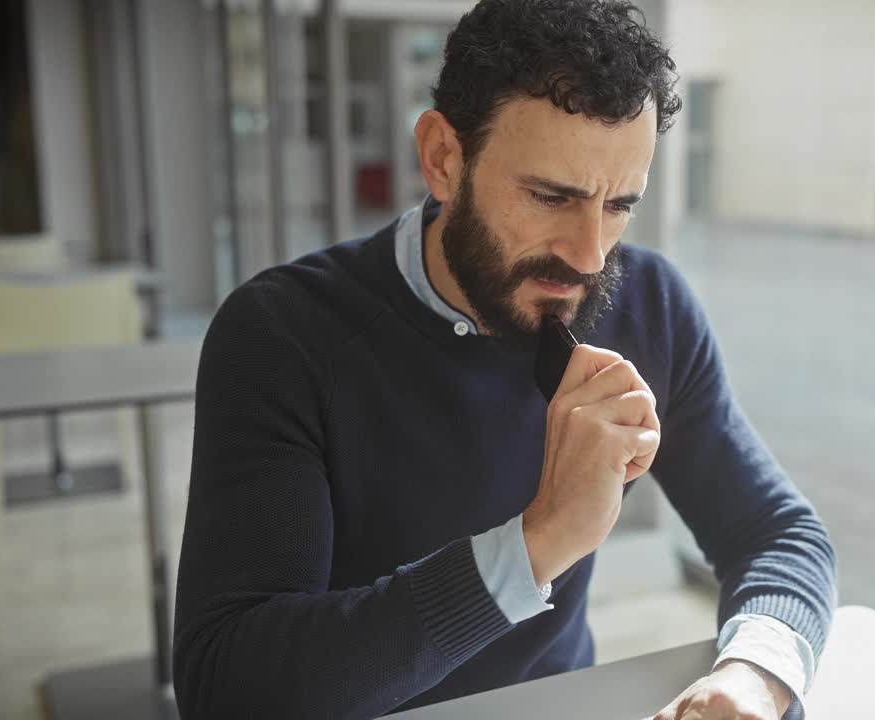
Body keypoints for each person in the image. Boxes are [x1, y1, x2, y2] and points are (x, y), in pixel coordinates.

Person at [173, 1, 836, 718]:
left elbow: (778, 534)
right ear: (443, 159)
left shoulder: (649, 305)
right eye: (552, 196)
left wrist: (756, 676)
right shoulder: (281, 335)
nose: (589, 257)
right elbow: (227, 685)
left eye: (618, 205)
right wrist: (536, 543)